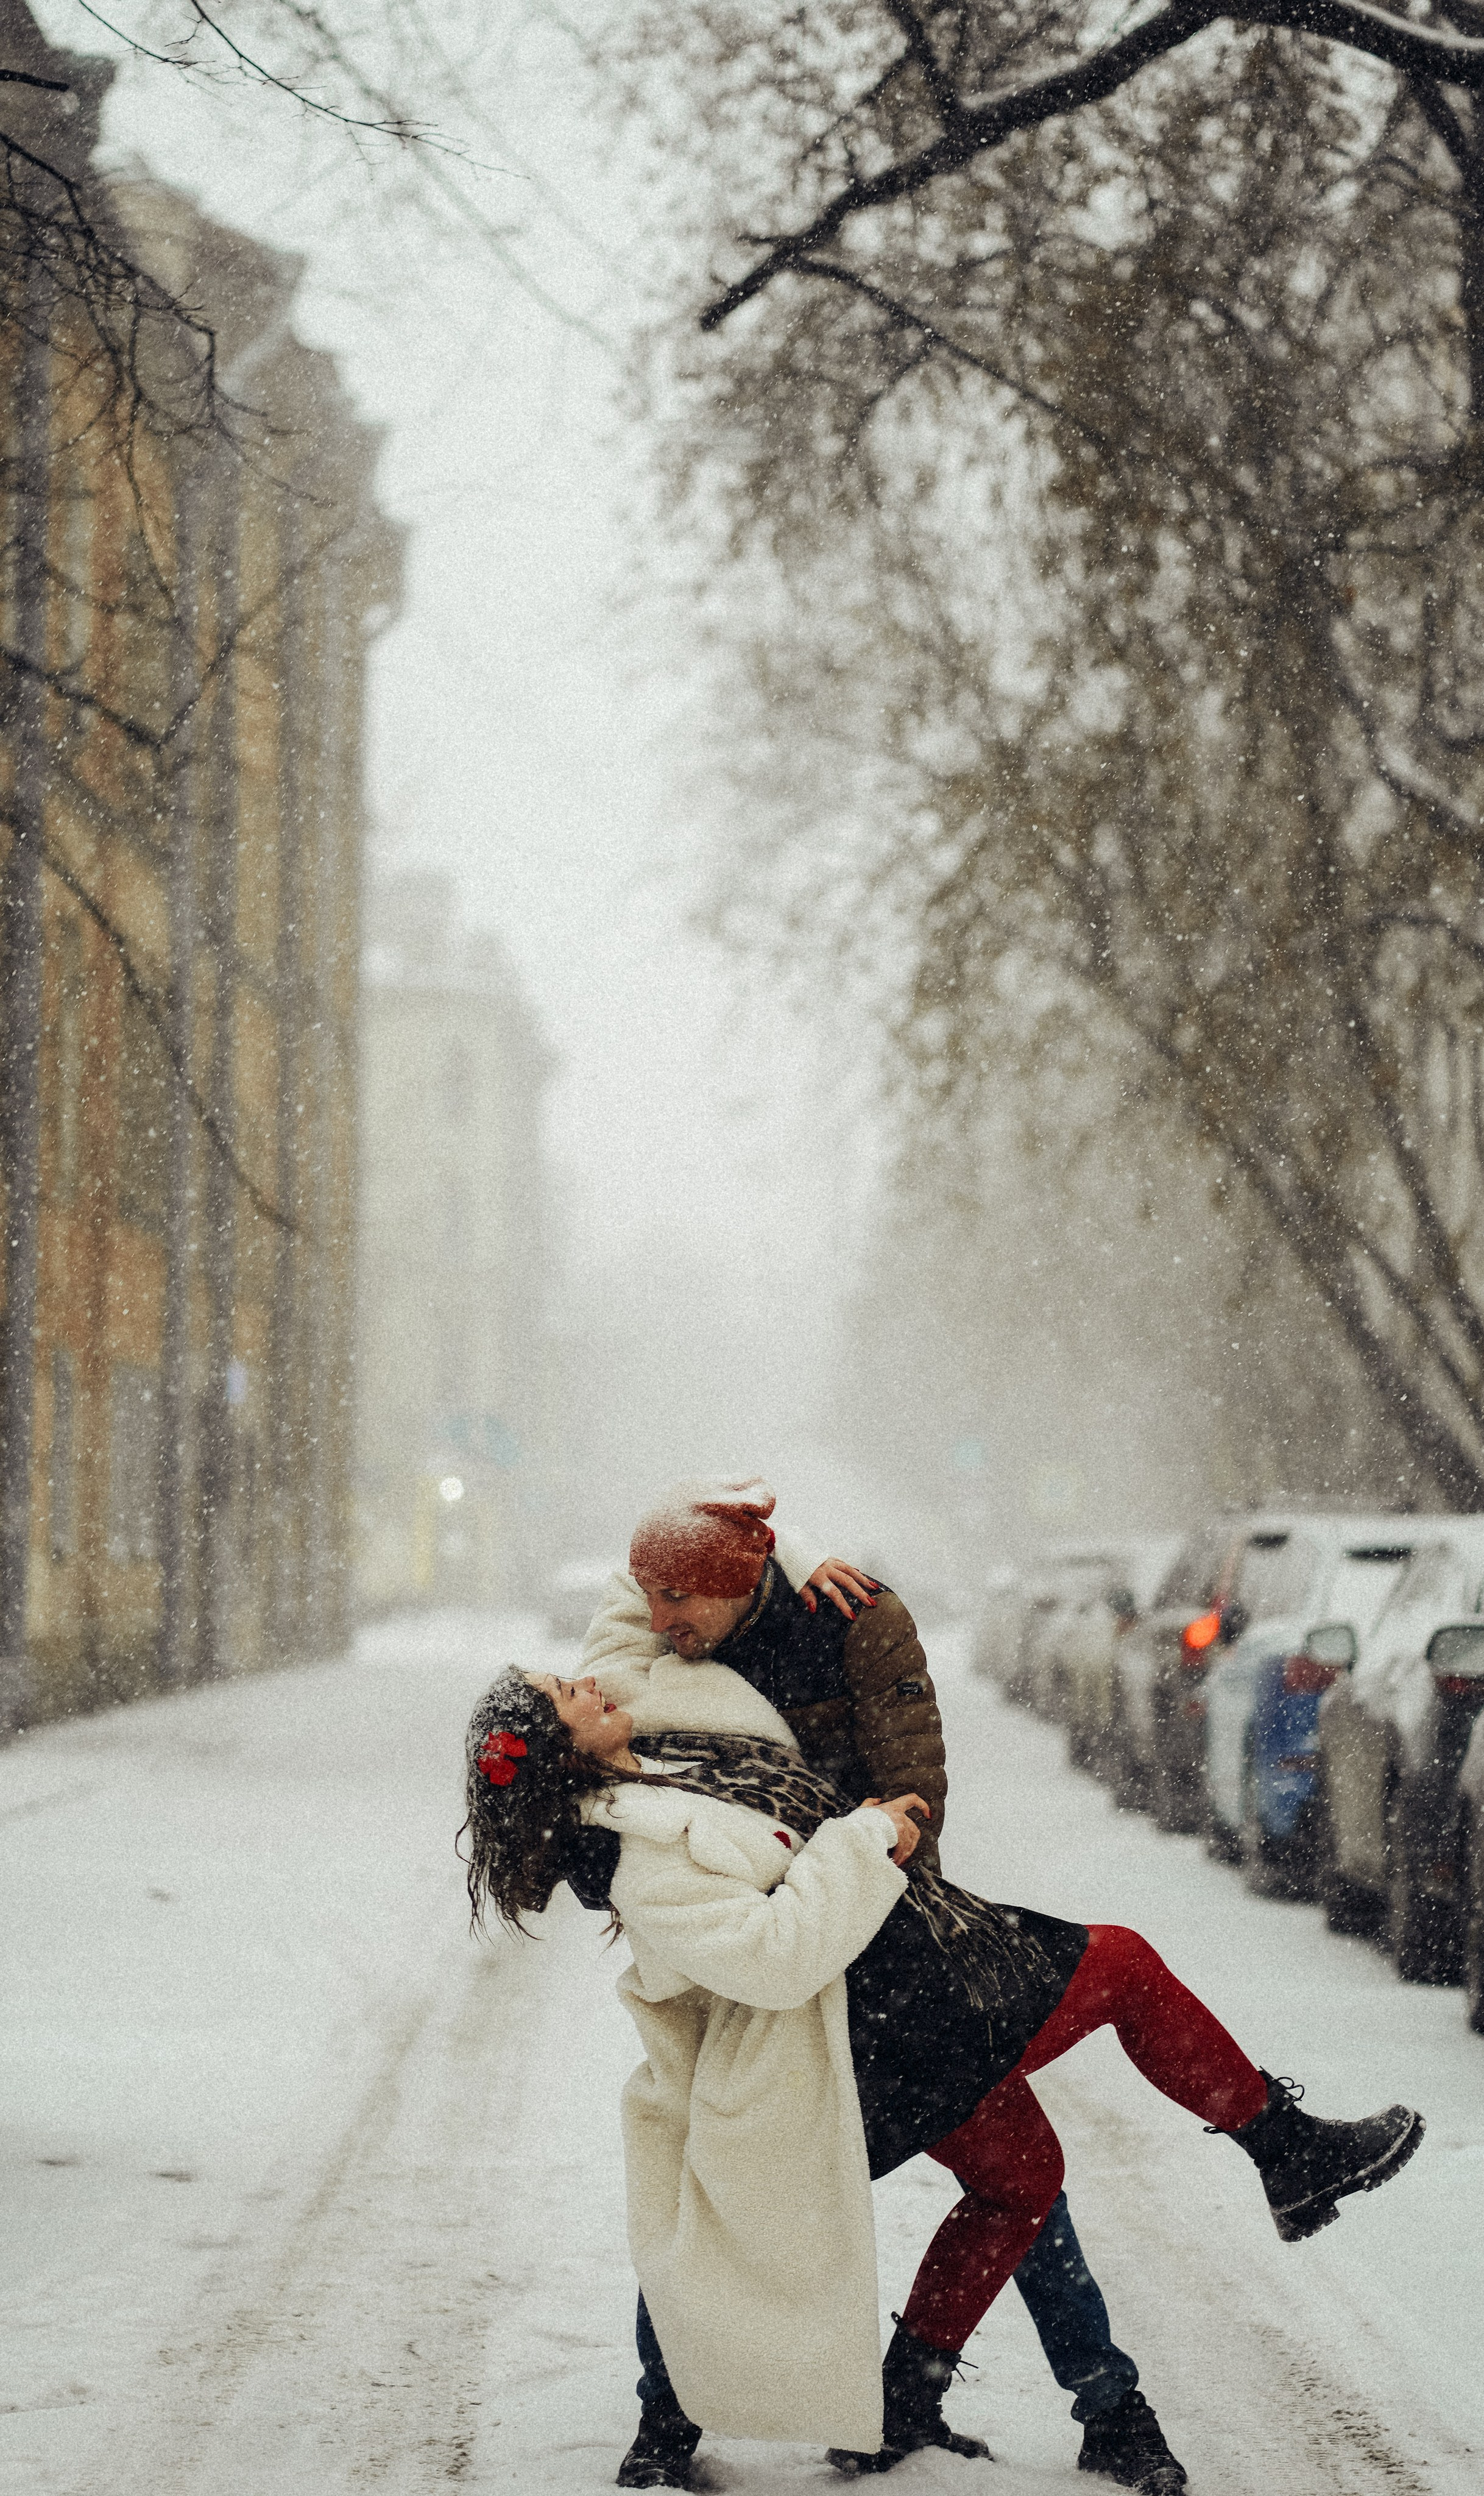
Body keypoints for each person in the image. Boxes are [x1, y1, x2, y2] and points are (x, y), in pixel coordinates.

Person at [461, 1664, 1424, 2489]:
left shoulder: (655, 1752)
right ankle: (1285, 2151)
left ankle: (904, 2400)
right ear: (561, 1750)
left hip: (913, 1979)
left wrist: (791, 1557)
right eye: (568, 1694)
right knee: (1122, 1967)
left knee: (1022, 2179)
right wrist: (866, 1837)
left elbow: (639, 1618)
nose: (591, 1681)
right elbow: (778, 1957)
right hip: (881, 2027)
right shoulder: (639, 1856)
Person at [572, 1480, 1175, 2491]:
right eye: (655, 1598)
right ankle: (676, 2420)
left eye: (687, 1596)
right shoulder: (627, 1703)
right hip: (767, 1998)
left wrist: (794, 1551)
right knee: (718, 2193)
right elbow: (641, 1593)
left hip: (875, 1955)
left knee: (1009, 2173)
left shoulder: (786, 1627)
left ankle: (1059, 2402)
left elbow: (908, 1794)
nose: (664, 1618)